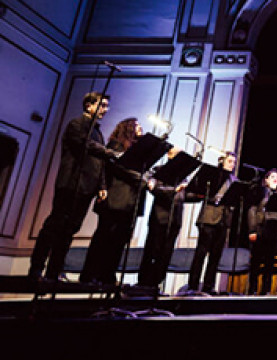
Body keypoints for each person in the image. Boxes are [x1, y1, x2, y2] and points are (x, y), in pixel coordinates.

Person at [29, 92, 118, 284]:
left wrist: (102, 186)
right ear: (89, 106)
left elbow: (99, 162)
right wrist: (111, 152)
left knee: (70, 230)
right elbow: (87, 145)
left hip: (87, 188)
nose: (106, 110)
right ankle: (36, 269)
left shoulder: (97, 131)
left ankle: (55, 271)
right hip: (70, 184)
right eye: (102, 105)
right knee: (54, 226)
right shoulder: (77, 124)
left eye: (106, 106)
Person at [80, 117, 170, 286]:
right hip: (115, 197)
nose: (140, 127)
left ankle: (108, 275)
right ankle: (89, 275)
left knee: (120, 240)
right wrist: (144, 180)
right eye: (137, 125)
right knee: (104, 237)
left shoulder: (140, 151)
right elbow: (120, 168)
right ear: (127, 128)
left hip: (132, 201)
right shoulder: (116, 145)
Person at [137, 167, 200, 291]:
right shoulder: (160, 171)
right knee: (153, 251)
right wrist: (175, 190)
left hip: (175, 220)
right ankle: (144, 285)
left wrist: (198, 195)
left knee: (166, 254)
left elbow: (183, 196)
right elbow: (155, 190)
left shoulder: (182, 175)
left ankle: (157, 284)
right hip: (159, 217)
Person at [186, 151, 237, 294]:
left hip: (223, 219)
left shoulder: (233, 179)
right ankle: (193, 286)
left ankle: (209, 286)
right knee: (201, 253)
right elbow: (201, 192)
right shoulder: (214, 175)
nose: (232, 164)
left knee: (215, 256)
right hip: (208, 218)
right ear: (222, 161)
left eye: (234, 162)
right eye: (229, 161)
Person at [247, 168, 277, 295]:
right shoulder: (260, 192)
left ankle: (266, 290)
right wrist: (252, 230)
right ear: (266, 180)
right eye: (272, 177)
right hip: (261, 228)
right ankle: (252, 289)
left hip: (274, 229)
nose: (275, 179)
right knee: (257, 261)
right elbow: (252, 211)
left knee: (270, 263)